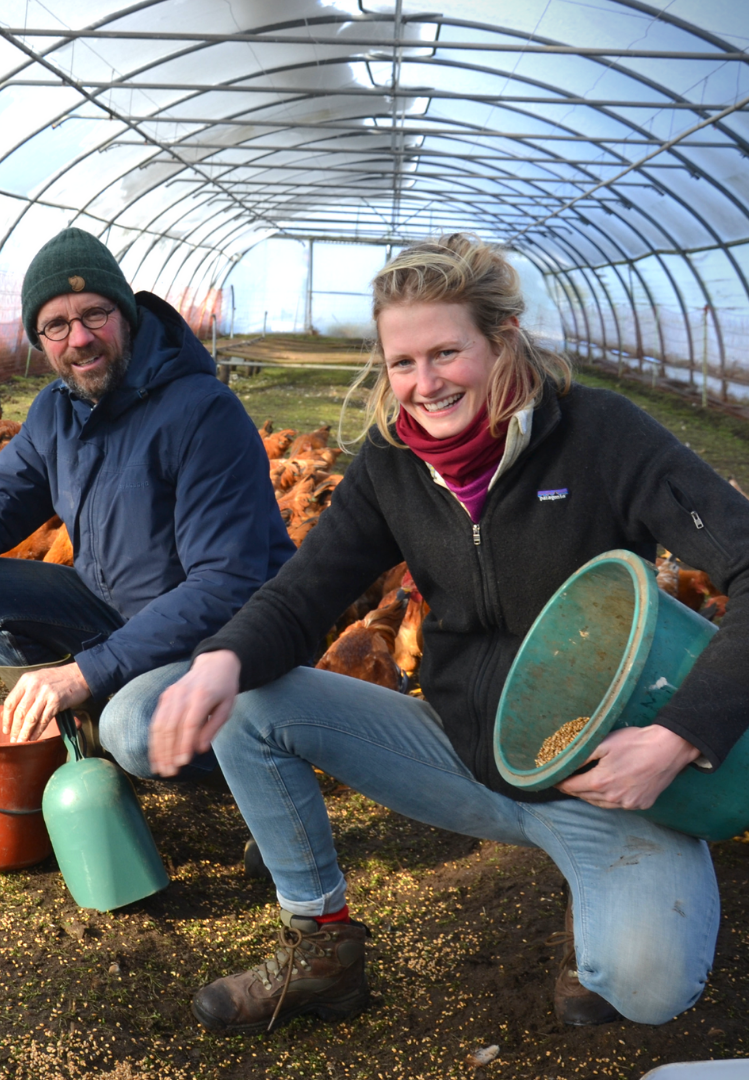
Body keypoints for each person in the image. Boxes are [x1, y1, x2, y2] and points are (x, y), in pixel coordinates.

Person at [105, 233, 749, 1033]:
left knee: (649, 988)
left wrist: (679, 738)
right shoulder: (393, 462)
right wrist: (219, 663)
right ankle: (322, 948)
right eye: (401, 362)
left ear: (503, 338)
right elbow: (305, 591)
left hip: (599, 776)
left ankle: (593, 899)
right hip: (453, 750)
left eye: (447, 352)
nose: (424, 383)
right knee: (244, 698)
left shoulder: (603, 435)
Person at [0, 227, 293, 755]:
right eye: (56, 325)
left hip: (215, 641)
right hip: (116, 616)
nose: (78, 338)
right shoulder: (57, 409)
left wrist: (84, 672)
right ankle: (85, 724)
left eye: (94, 314)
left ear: (127, 314)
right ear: (40, 341)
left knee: (132, 730)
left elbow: (225, 585)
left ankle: (237, 739)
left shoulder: (203, 412)